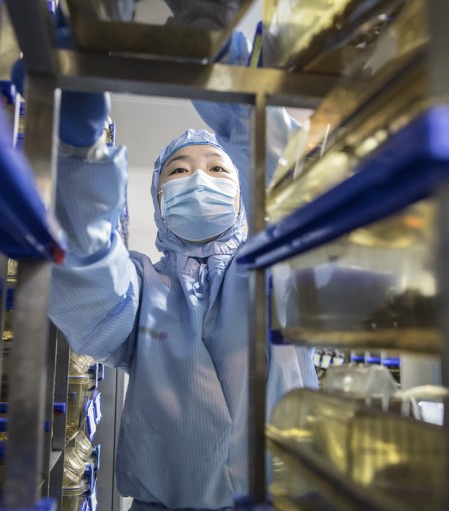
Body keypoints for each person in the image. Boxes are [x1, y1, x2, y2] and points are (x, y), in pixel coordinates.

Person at [41, 34, 317, 511]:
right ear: (158, 199)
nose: (197, 179)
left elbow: (290, 193)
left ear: (242, 193)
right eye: (178, 172)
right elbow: (88, 277)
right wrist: (80, 157)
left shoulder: (274, 269)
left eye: (218, 169)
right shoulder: (143, 286)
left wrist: (228, 72)